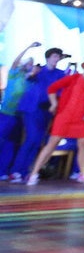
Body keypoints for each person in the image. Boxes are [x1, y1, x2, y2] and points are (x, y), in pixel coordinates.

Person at [26, 57, 84, 185]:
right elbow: (52, 88)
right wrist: (54, 104)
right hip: (66, 115)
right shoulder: (73, 78)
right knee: (52, 143)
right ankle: (34, 174)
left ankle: (83, 174)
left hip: (83, 118)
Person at [10, 47, 69, 182]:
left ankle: (26, 171)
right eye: (54, 56)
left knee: (38, 141)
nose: (56, 59)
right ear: (48, 57)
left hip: (47, 110)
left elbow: (62, 90)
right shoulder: (38, 70)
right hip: (31, 109)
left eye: (58, 57)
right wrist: (31, 73)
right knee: (32, 137)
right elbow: (27, 78)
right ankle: (16, 170)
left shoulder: (61, 74)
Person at [0, 41, 40, 179]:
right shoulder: (14, 74)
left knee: (10, 145)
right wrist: (28, 47)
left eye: (31, 64)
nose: (29, 65)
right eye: (28, 63)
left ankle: (3, 171)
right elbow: (16, 61)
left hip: (17, 116)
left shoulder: (28, 81)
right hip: (5, 113)